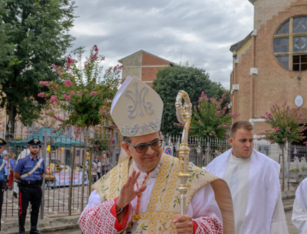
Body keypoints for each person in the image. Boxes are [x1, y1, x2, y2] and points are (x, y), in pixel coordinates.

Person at [78, 76, 235, 234]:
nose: (151, 151)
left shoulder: (188, 176)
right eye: (141, 147)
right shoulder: (110, 183)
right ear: (126, 148)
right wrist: (118, 205)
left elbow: (216, 225)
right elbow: (87, 226)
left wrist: (194, 227)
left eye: (155, 142)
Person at [206, 121, 288, 234]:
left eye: (251, 140)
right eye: (243, 140)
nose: (248, 145)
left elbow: (275, 206)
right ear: (231, 141)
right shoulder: (215, 167)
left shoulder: (266, 167)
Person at [14, 138, 45, 234]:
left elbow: (42, 174)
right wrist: (25, 182)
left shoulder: (41, 161)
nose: (35, 149)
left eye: (37, 147)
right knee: (23, 210)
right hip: (25, 188)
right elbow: (16, 174)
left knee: (35, 209)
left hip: (36, 187)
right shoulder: (23, 161)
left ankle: (33, 229)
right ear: (29, 148)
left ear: (39, 148)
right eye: (33, 147)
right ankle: (22, 230)